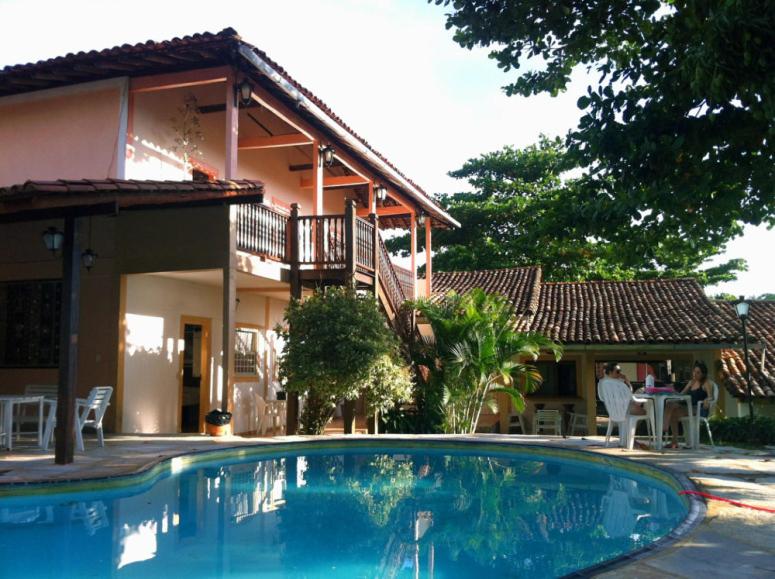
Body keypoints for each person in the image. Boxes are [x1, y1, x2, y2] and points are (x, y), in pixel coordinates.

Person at [663, 361, 714, 448]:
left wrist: (706, 400)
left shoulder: (706, 383)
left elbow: (711, 397)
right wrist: (673, 391)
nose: (695, 374)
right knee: (670, 405)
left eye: (698, 372)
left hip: (698, 409)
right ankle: (673, 440)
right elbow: (681, 395)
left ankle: (664, 429)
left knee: (672, 408)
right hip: (687, 407)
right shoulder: (691, 382)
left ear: (703, 374)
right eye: (694, 371)